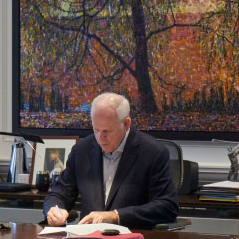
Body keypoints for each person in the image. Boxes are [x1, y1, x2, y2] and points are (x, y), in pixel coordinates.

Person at [43, 92, 178, 229]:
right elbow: (58, 194)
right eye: (96, 130)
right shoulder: (81, 151)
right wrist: (54, 210)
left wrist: (115, 216)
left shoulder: (153, 152)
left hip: (134, 238)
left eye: (107, 131)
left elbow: (167, 206)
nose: (101, 138)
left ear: (126, 124)